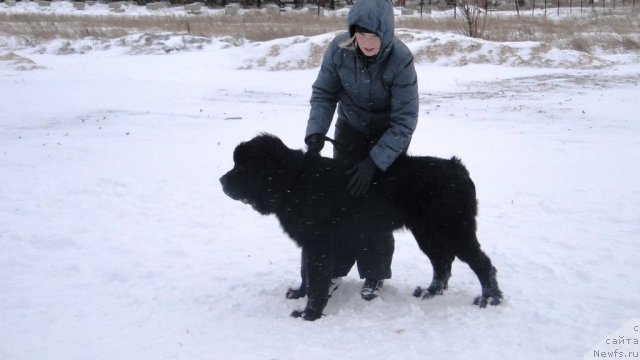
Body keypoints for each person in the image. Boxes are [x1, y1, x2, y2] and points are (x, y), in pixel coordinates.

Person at [304, 0, 419, 301]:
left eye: (374, 36)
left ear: (386, 33)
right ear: (352, 33)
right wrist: (316, 132)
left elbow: (405, 120)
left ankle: (375, 274)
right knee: (341, 203)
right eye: (361, 35)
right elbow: (325, 92)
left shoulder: (401, 59)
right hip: (351, 130)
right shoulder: (338, 50)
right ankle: (335, 269)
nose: (367, 42)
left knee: (377, 206)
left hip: (388, 135)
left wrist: (375, 162)